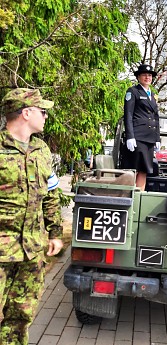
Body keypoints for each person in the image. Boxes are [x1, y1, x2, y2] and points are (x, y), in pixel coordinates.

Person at [0, 88, 63, 345]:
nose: (46, 116)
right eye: (42, 111)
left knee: (21, 315)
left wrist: (56, 233)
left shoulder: (41, 150)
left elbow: (51, 194)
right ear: (26, 113)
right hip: (1, 250)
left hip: (31, 250)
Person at [121, 64, 160, 191]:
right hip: (138, 136)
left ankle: (139, 197)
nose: (147, 77)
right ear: (138, 77)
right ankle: (129, 198)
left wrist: (158, 138)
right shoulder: (133, 91)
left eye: (149, 75)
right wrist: (130, 136)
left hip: (149, 137)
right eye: (144, 75)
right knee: (134, 170)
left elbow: (156, 117)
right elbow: (128, 114)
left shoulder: (153, 95)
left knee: (144, 170)